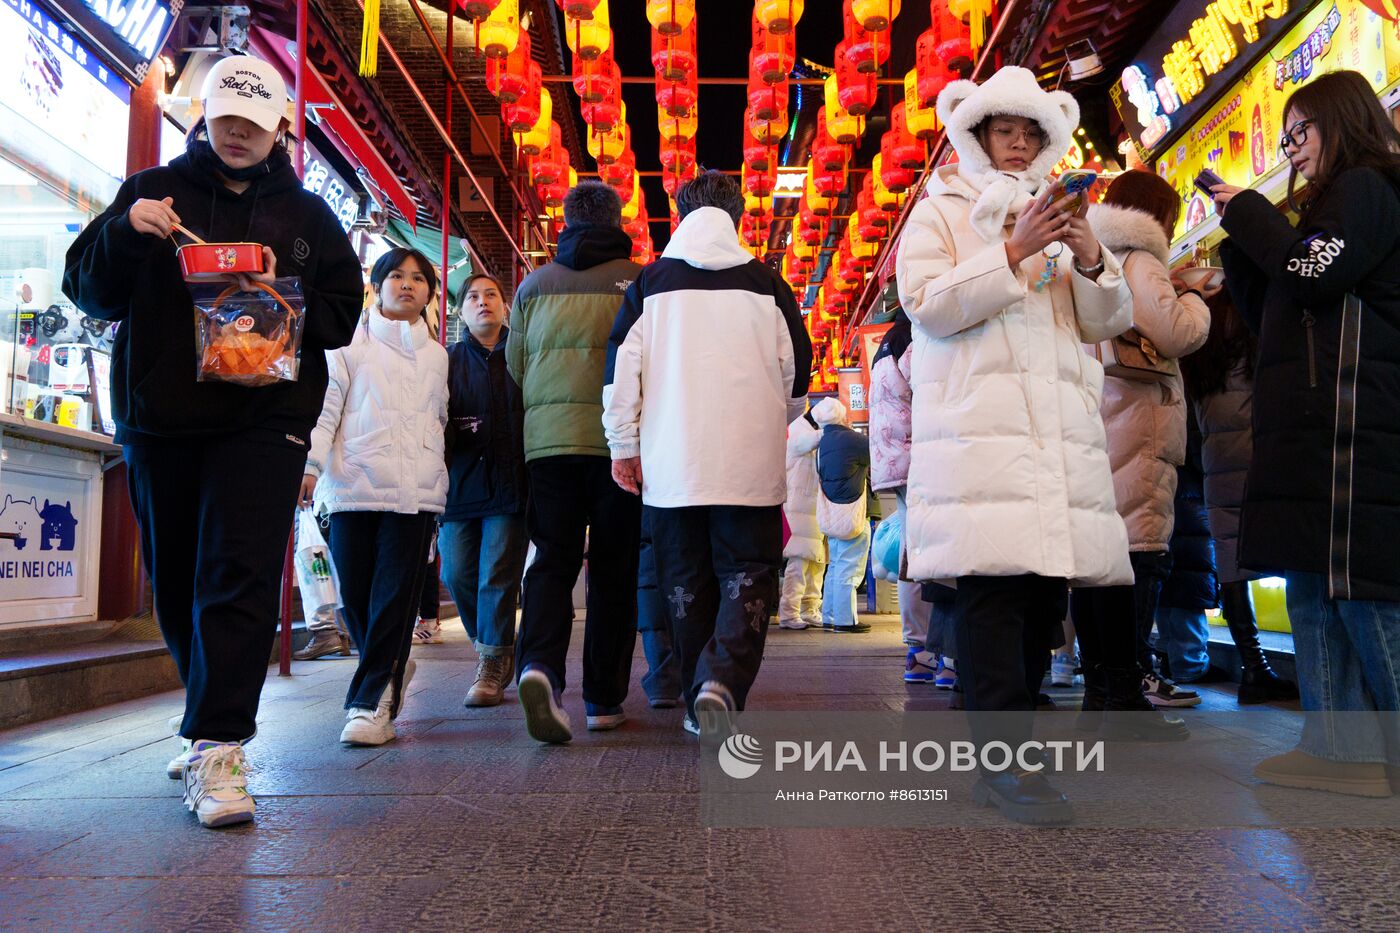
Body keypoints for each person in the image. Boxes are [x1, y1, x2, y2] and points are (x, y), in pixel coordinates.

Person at [62, 54, 362, 828]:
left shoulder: (309, 218)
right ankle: (205, 715)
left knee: (241, 572)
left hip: (267, 419)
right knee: (177, 579)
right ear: (204, 113)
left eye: (255, 125)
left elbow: (340, 315)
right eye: (227, 117)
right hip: (161, 415)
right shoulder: (151, 192)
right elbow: (87, 288)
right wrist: (129, 231)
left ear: (280, 130)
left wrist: (281, 291)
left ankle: (221, 741)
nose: (238, 134)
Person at [894, 66, 1133, 824]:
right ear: (975, 132)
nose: (1019, 143)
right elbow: (926, 305)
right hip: (979, 443)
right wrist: (1010, 251)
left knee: (1040, 604)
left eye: (1032, 133)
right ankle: (1006, 768)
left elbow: (1105, 321)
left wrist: (1090, 253)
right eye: (1006, 130)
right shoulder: (939, 211)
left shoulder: (1059, 217)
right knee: (994, 600)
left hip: (1054, 443)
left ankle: (1012, 758)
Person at [1213, 70, 1400, 796]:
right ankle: (1336, 748)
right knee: (1313, 585)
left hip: (1358, 427)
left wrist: (1252, 214)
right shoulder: (1324, 210)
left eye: (1300, 132)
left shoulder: (1368, 190)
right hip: (1313, 435)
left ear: (1339, 121)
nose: (1290, 148)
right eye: (1285, 136)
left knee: (1362, 590)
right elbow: (1277, 314)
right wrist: (1238, 243)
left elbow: (1312, 272)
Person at [603, 170, 811, 733]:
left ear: (680, 214)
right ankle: (721, 681)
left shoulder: (651, 284)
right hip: (749, 467)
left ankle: (700, 698)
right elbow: (797, 378)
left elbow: (622, 372)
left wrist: (625, 445)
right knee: (750, 572)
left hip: (672, 471)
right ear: (737, 217)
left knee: (684, 582)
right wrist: (771, 420)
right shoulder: (768, 285)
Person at [1071, 169, 1210, 735]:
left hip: (1102, 418)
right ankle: (1125, 693)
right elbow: (1176, 332)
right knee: (1141, 555)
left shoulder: (1094, 254)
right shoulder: (1141, 258)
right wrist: (1195, 295)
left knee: (1100, 563)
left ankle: (1102, 690)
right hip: (1142, 425)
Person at [507, 181, 644, 743]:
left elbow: (516, 366)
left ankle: (539, 666)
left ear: (564, 221)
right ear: (616, 220)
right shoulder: (638, 280)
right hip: (622, 447)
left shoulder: (534, 285)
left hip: (550, 446)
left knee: (552, 562)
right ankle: (604, 700)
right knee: (614, 571)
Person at [301, 247, 448, 747]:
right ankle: (386, 672)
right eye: (397, 276)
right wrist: (310, 466)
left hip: (414, 496)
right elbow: (325, 412)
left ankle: (371, 704)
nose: (408, 285)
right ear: (378, 285)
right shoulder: (347, 346)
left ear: (429, 291)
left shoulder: (438, 355)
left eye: (418, 278)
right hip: (350, 488)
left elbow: (441, 420)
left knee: (392, 600)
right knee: (359, 598)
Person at [1180, 292, 1298, 704]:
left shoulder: (1199, 355)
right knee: (1294, 558)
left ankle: (1254, 668)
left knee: (1231, 564)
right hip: (1263, 460)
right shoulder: (1258, 337)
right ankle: (1310, 660)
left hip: (1216, 469)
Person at [439, 272, 529, 707]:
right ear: (461, 310)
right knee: (455, 572)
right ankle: (488, 644)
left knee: (497, 573)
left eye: (491, 294)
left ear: (505, 304)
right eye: (472, 297)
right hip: (460, 485)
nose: (482, 302)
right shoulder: (447, 360)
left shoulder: (523, 351)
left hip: (512, 484)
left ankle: (492, 664)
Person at [868, 306, 937, 679]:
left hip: (893, 461)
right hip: (920, 459)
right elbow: (931, 392)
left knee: (914, 552)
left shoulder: (886, 345)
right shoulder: (915, 339)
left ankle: (918, 649)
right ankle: (937, 651)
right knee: (937, 553)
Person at [812, 398, 872, 634]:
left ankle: (829, 616)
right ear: (843, 416)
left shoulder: (822, 442)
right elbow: (877, 455)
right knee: (850, 566)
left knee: (835, 566)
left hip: (831, 513)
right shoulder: (852, 439)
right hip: (850, 513)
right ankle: (846, 621)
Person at [777, 408, 825, 631]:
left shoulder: (809, 433)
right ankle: (789, 612)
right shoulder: (797, 431)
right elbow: (806, 442)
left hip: (812, 510)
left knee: (816, 563)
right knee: (798, 563)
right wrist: (832, 429)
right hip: (798, 509)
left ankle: (809, 609)